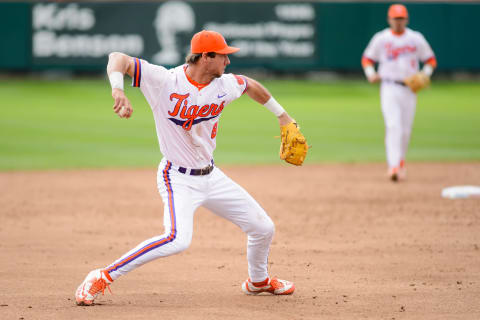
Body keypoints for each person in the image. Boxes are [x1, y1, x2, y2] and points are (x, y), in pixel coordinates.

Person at [75, 30, 301, 306]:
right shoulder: (164, 80)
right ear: (205, 57)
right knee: (176, 239)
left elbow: (250, 85)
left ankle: (258, 281)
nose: (228, 62)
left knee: (263, 228)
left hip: (212, 176)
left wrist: (283, 116)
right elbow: (117, 58)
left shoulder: (224, 85)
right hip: (177, 178)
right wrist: (117, 88)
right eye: (223, 57)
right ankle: (101, 276)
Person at [361, 4, 437, 181]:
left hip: (411, 88)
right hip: (389, 86)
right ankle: (393, 165)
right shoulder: (381, 38)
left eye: (401, 18)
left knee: (405, 130)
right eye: (395, 18)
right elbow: (367, 58)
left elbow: (430, 60)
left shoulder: (415, 38)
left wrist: (424, 75)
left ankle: (400, 161)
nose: (398, 21)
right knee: (393, 125)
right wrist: (371, 74)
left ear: (406, 19)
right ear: (389, 19)